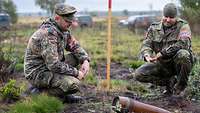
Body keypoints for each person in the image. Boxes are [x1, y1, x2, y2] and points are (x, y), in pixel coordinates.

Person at [24, 3, 90, 102]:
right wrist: (76, 73)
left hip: (48, 67)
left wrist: (85, 60)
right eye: (67, 21)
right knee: (74, 84)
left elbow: (74, 46)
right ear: (57, 18)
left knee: (76, 57)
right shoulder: (48, 33)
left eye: (71, 21)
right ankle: (38, 94)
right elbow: (53, 65)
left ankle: (61, 94)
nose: (70, 24)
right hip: (38, 72)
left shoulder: (63, 30)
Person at [135, 3, 193, 96]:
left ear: (176, 17)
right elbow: (146, 44)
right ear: (162, 15)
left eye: (171, 17)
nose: (168, 20)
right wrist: (147, 55)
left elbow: (183, 43)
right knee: (139, 74)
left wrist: (163, 53)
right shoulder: (154, 28)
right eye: (166, 16)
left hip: (177, 63)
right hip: (162, 65)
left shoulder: (183, 26)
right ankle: (169, 82)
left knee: (183, 54)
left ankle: (180, 88)